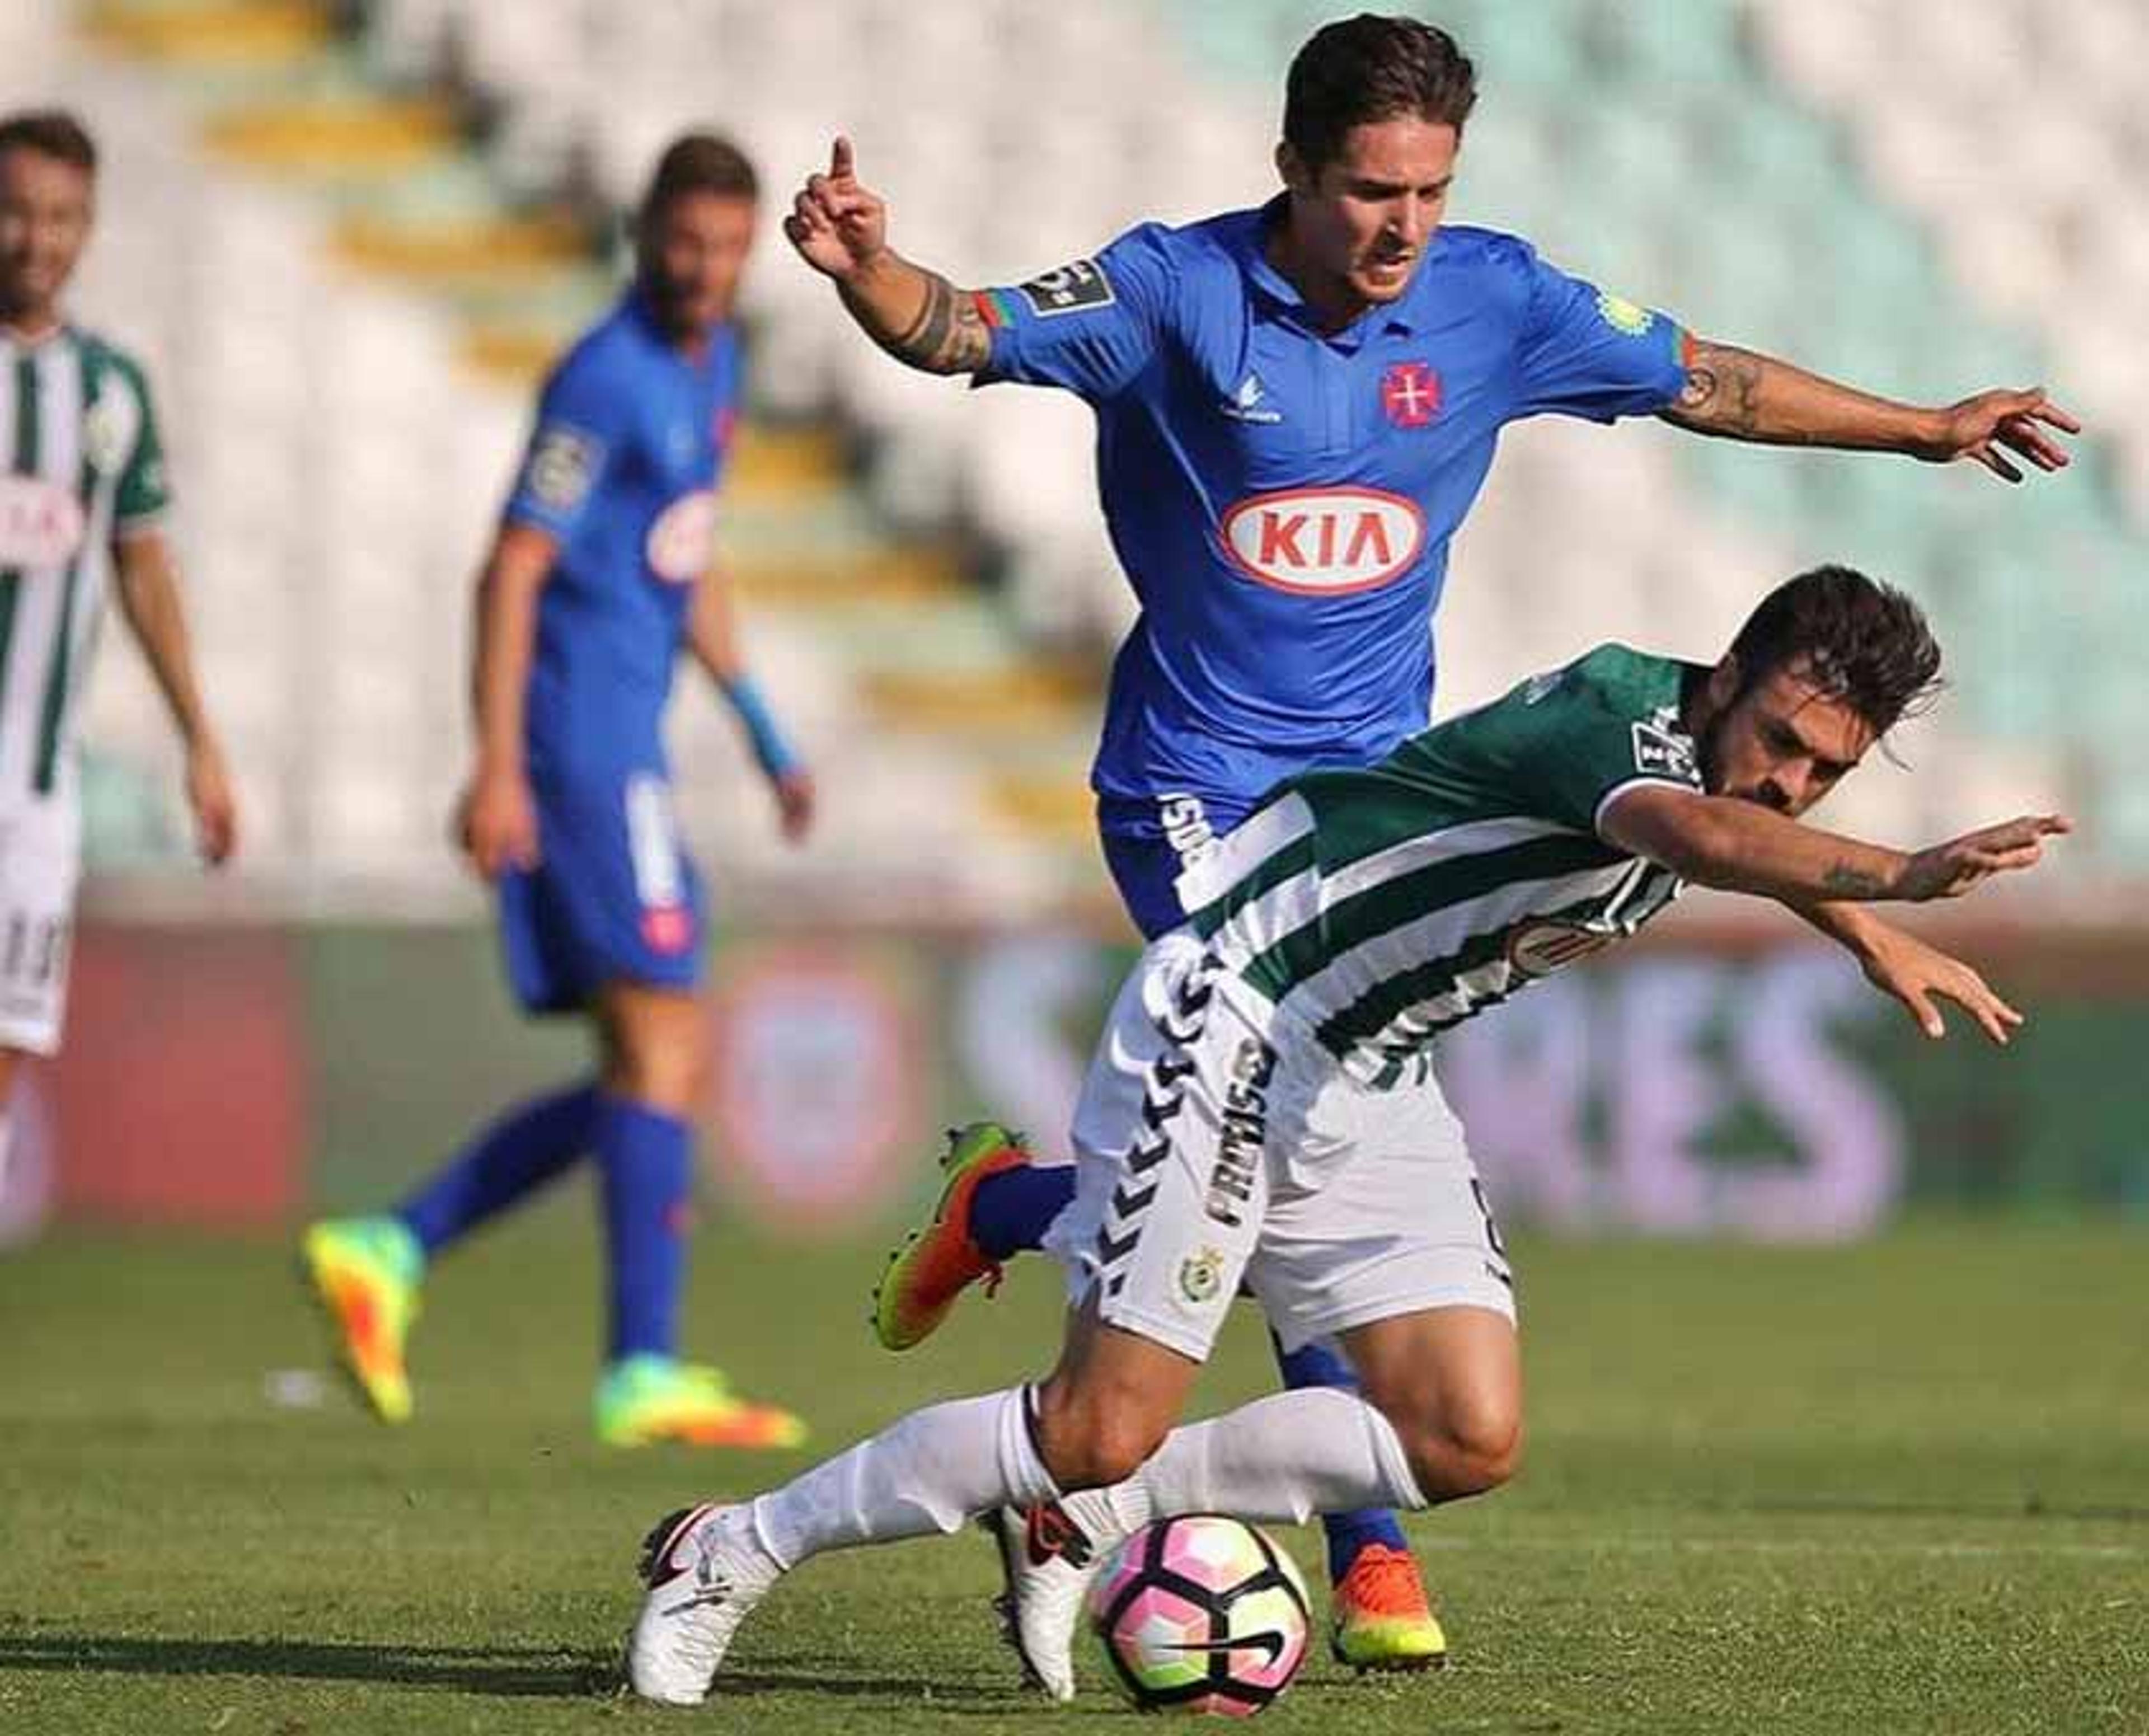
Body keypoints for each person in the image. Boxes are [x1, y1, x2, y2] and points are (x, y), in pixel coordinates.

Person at [782, 13, 2079, 1667]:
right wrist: (866, 273)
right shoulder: (1177, 290)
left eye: (1431, 191)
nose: (1404, 227)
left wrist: (1923, 429)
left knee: (1286, 1152)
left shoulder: (1493, 297)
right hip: (1194, 788)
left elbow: (1713, 383)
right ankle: (1368, 1541)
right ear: (1293, 172)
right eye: (1373, 190)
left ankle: (1030, 1208)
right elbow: (960, 330)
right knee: (1278, 1133)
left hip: (1380, 789)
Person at [624, 564, 2064, 1706]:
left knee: (1463, 1432)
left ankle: (1091, 1519)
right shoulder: (1613, 733)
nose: (1795, 788)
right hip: (1236, 1018)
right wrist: (1905, 877)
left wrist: (1867, 935)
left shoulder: (1706, 760)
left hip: (1369, 1075)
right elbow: (1703, 836)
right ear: (1729, 677)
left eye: (1829, 776)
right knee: (1089, 1422)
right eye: (1785, 746)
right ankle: (734, 1548)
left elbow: (1736, 823)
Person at [301, 133, 815, 1450]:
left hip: (633, 743)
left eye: (724, 249)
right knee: (661, 1041)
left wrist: (759, 724)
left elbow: (687, 557)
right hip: (583, 752)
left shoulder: (717, 366)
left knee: (656, 1059)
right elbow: (512, 571)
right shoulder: (603, 378)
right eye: (682, 244)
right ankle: (636, 1367)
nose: (701, 270)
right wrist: (495, 766)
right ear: (643, 233)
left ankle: (394, 1244)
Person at [0, 109, 238, 1175]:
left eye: (59, 218)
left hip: (34, 787)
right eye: (14, 213)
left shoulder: (109, 391)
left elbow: (143, 568)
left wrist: (201, 739)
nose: (35, 241)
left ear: (88, 228)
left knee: (9, 1042)